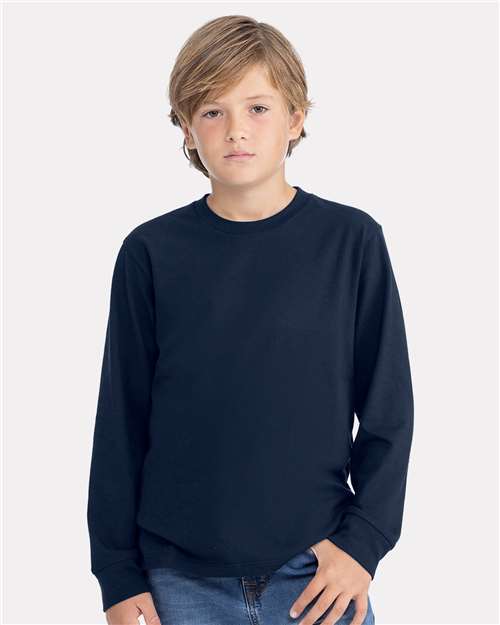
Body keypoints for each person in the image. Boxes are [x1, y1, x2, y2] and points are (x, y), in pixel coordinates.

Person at [86, 14, 414, 625]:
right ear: (187, 128)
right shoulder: (150, 253)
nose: (236, 129)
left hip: (316, 574)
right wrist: (117, 574)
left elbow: (388, 411)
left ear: (295, 119)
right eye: (212, 111)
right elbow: (121, 422)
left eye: (258, 108)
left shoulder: (351, 242)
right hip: (177, 583)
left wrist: (363, 544)